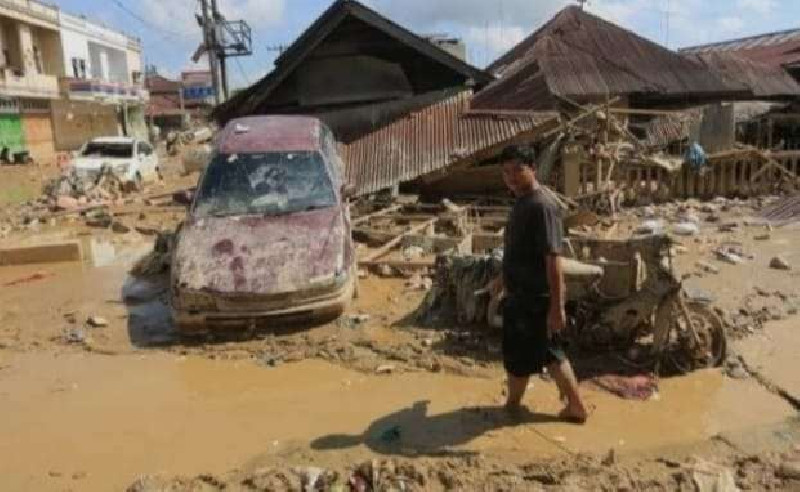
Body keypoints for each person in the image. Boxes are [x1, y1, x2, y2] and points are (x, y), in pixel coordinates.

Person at [490, 145, 589, 424]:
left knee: (540, 354)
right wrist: (502, 279)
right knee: (534, 353)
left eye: (517, 170)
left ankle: (568, 406)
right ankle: (520, 403)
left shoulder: (542, 205)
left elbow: (552, 260)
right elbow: (521, 251)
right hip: (521, 293)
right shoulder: (523, 201)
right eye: (506, 172)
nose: (511, 177)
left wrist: (557, 307)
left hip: (534, 297)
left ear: (533, 168)